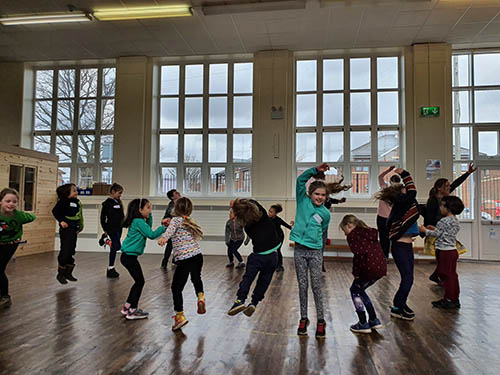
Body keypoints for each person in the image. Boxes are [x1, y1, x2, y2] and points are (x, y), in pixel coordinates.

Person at [290, 163, 331, 339]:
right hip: (299, 250)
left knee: (316, 286)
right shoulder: (302, 201)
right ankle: (303, 318)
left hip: (315, 252)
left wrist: (319, 253)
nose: (320, 197)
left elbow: (323, 233)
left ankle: (321, 320)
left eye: (323, 195)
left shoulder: (325, 213)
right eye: (317, 194)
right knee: (302, 285)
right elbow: (300, 180)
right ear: (310, 194)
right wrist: (316, 171)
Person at [227, 198, 281, 318]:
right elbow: (253, 202)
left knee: (248, 278)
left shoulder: (248, 227)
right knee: (264, 281)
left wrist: (236, 208)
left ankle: (240, 300)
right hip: (272, 256)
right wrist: (238, 202)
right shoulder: (263, 216)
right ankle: (254, 303)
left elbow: (243, 216)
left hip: (257, 257)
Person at [424, 162, 476, 284]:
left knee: (444, 255)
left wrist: (467, 173)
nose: (449, 188)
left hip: (443, 229)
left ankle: (437, 275)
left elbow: (456, 183)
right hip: (436, 229)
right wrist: (428, 230)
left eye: (448, 186)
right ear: (439, 188)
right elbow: (428, 216)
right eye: (446, 186)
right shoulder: (433, 201)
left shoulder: (445, 196)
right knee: (441, 255)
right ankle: (440, 276)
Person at [158, 197, 205, 330]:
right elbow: (179, 231)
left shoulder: (175, 220)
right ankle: (201, 297)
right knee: (196, 278)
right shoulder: (188, 221)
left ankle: (180, 316)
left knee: (176, 288)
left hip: (184, 259)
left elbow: (170, 232)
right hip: (197, 255)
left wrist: (163, 239)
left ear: (175, 208)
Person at [380, 168, 420, 320]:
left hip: (406, 246)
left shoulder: (405, 205)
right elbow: (413, 192)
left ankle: (400, 303)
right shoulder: (402, 203)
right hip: (400, 246)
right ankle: (398, 306)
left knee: (408, 277)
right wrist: (405, 174)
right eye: (404, 188)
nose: (407, 189)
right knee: (408, 278)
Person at [340, 214, 386, 334]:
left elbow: (359, 256)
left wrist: (356, 273)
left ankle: (363, 323)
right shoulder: (369, 232)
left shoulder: (353, 235)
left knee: (354, 291)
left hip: (368, 268)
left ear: (349, 225)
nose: (345, 234)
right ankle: (373, 320)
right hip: (380, 267)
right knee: (360, 290)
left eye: (344, 230)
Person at [120, 198, 166, 320]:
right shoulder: (138, 221)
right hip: (129, 257)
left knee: (138, 281)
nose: (150, 210)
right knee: (140, 282)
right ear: (140, 210)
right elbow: (151, 235)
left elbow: (148, 229)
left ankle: (127, 307)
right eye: (148, 208)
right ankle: (132, 311)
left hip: (128, 257)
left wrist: (149, 216)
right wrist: (164, 226)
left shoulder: (139, 221)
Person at [420, 195, 464, 309]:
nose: (440, 207)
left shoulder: (443, 220)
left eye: (442, 205)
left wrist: (425, 230)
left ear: (448, 208)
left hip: (444, 252)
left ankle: (449, 299)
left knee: (445, 276)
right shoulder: (454, 220)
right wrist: (434, 229)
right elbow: (444, 233)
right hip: (452, 251)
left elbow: (437, 235)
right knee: (452, 276)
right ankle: (454, 298)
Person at [0, 188, 36, 308]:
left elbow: (32, 217)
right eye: (8, 201)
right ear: (1, 201)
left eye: (14, 202)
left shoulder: (19, 216)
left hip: (11, 244)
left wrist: (23, 216)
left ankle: (5, 297)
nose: (11, 204)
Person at [52, 183, 83, 285]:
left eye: (76, 190)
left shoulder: (77, 202)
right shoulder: (63, 202)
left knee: (71, 250)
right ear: (66, 193)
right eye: (74, 191)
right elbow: (55, 211)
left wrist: (80, 226)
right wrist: (61, 221)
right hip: (66, 230)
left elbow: (79, 216)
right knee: (65, 251)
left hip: (73, 230)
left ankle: (68, 273)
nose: (76, 192)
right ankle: (60, 274)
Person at [99, 183, 124, 278]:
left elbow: (121, 216)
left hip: (119, 228)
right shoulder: (107, 203)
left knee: (113, 249)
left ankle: (111, 267)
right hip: (111, 229)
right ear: (113, 192)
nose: (120, 195)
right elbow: (102, 218)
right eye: (119, 193)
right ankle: (105, 240)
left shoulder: (119, 203)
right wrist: (105, 229)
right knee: (117, 246)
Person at [376, 166, 402, 259]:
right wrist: (390, 170)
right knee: (387, 238)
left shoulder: (390, 190)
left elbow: (380, 177)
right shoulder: (386, 189)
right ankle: (385, 256)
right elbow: (379, 177)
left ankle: (386, 257)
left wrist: (389, 170)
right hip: (385, 218)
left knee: (386, 238)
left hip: (388, 218)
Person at [268, 203, 293, 272]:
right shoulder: (267, 219)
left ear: (275, 213)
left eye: (271, 212)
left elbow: (287, 226)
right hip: (272, 237)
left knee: (277, 250)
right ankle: (272, 264)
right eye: (269, 211)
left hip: (279, 236)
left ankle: (280, 265)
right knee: (271, 251)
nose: (269, 213)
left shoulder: (278, 220)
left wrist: (294, 227)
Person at [161, 189, 181, 269]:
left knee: (177, 244)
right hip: (172, 226)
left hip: (178, 226)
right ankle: (165, 261)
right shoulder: (171, 205)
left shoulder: (180, 203)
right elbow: (169, 216)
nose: (178, 193)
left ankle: (174, 260)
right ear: (172, 197)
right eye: (176, 193)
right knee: (170, 245)